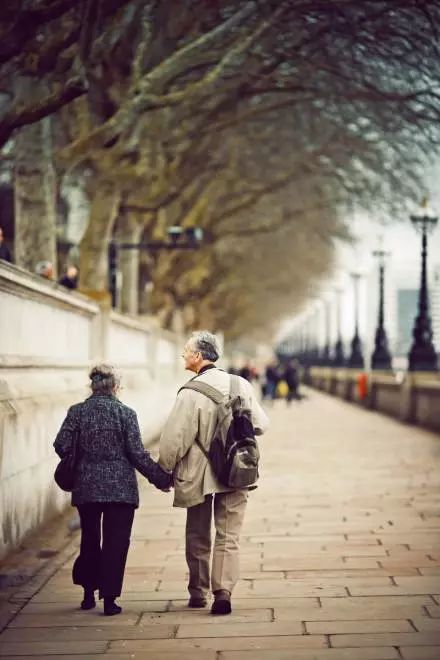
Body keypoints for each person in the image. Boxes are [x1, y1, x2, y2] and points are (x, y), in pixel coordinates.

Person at [158, 330, 269, 615]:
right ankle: (223, 592)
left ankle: (198, 592)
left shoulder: (190, 392)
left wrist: (163, 470)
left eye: (186, 350)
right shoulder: (239, 384)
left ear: (198, 356)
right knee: (228, 534)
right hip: (235, 469)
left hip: (199, 475)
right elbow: (261, 424)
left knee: (197, 533)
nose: (183, 354)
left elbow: (175, 439)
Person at [53, 364, 172, 616]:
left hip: (86, 488)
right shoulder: (125, 413)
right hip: (120, 490)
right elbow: (138, 454)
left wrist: (82, 455)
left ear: (92, 385)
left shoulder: (77, 412)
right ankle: (109, 600)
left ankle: (87, 594)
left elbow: (61, 444)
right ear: (116, 386)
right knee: (116, 543)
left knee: (90, 540)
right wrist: (161, 479)